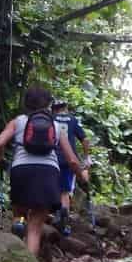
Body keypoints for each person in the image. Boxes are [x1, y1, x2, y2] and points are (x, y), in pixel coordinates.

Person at [0, 86, 83, 258]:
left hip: (21, 171)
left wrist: (0, 160)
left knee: (19, 212)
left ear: (26, 103)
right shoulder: (56, 126)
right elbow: (72, 160)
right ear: (49, 104)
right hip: (48, 174)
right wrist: (81, 177)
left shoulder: (17, 121)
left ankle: (19, 225)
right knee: (35, 228)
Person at [52, 99, 90, 236]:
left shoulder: (51, 118)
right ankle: (64, 219)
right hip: (69, 159)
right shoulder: (73, 120)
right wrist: (86, 157)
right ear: (65, 107)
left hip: (51, 159)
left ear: (54, 108)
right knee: (65, 191)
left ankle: (55, 213)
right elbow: (85, 139)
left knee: (53, 187)